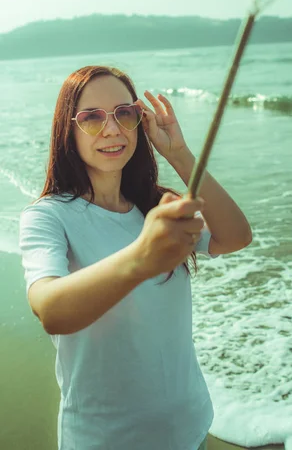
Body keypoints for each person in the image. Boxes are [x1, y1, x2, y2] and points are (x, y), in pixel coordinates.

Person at [19, 65, 252, 450]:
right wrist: (142, 256)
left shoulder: (154, 207)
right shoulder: (48, 216)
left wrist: (180, 154)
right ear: (67, 129)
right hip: (108, 440)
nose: (112, 129)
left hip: (190, 426)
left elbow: (236, 237)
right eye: (91, 118)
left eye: (123, 114)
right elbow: (50, 310)